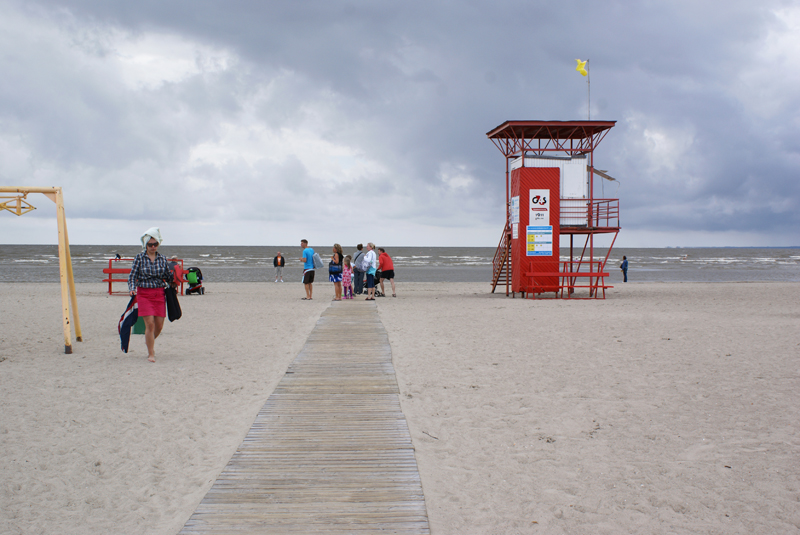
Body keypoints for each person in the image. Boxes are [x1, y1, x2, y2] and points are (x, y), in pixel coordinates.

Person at [128, 228, 172, 363]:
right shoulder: (139, 258)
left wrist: (174, 278)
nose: (153, 247)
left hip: (159, 293)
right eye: (150, 245)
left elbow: (166, 276)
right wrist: (132, 289)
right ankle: (151, 353)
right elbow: (132, 276)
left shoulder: (163, 259)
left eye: (155, 244)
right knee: (150, 324)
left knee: (159, 326)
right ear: (145, 245)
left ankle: (149, 341)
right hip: (144, 293)